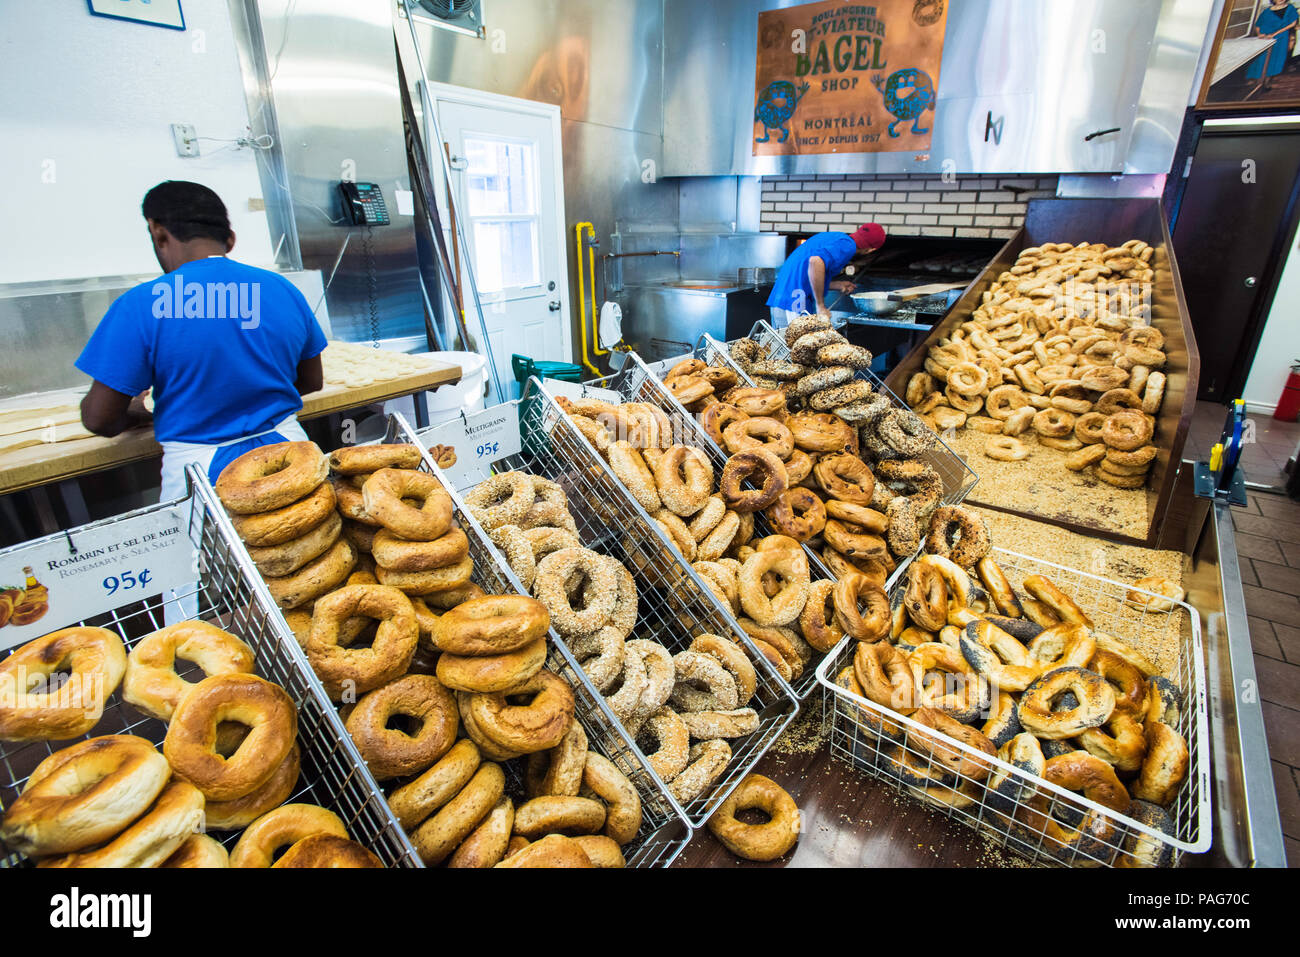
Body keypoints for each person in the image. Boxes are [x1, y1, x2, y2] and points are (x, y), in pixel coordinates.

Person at [77, 181, 327, 502]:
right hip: (292, 458)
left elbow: (100, 419)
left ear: (158, 233)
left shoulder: (141, 304)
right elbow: (311, 380)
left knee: (218, 553)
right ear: (231, 239)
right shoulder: (282, 289)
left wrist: (141, 412)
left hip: (200, 473)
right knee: (306, 544)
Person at [766, 223, 886, 328]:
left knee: (783, 348)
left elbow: (808, 272)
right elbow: (815, 261)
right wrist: (820, 306)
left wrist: (836, 285)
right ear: (871, 249)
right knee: (796, 349)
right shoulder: (848, 246)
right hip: (795, 299)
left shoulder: (836, 238)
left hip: (783, 296)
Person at [1246, 0, 1299, 94]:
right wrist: (1260, 34)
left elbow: (1292, 24)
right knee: (1261, 59)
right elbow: (1258, 25)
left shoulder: (1290, 8)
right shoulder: (1266, 11)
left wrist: (1274, 34)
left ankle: (1266, 82)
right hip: (1264, 38)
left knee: (1275, 59)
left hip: (1281, 38)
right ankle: (1256, 82)